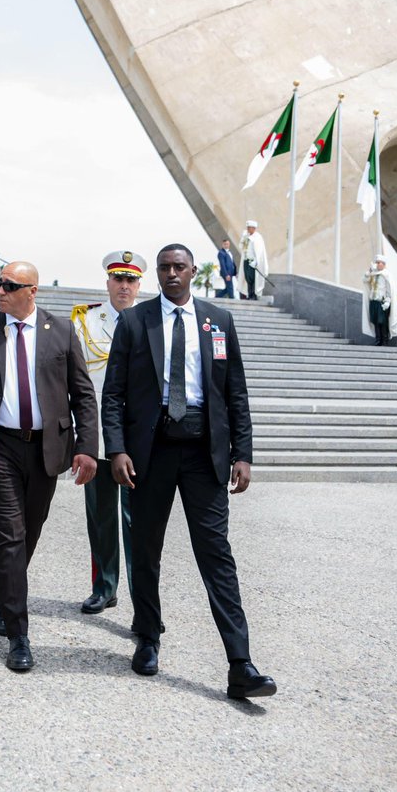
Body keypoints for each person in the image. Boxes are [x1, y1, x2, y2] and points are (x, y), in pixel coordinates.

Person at [102, 244, 276, 700]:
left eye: (180, 267)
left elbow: (235, 390)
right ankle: (147, 636)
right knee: (145, 548)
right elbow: (113, 393)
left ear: (194, 272)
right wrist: (116, 449)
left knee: (216, 553)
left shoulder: (218, 320)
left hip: (205, 453)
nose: (172, 273)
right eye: (164, 267)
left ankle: (241, 663)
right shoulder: (135, 322)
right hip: (151, 452)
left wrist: (244, 452)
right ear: (156, 273)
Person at [0, 261, 97, 672]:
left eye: (10, 285)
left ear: (32, 291)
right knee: (9, 534)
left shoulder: (62, 331)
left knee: (30, 530)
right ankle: (18, 633)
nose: (0, 291)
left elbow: (83, 394)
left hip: (48, 448)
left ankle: (2, 591)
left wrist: (87, 447)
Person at [71, 250, 145, 618]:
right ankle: (104, 588)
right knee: (101, 517)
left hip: (138, 439)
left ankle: (142, 598)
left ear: (139, 285)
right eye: (118, 278)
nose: (124, 286)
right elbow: (77, 381)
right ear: (108, 282)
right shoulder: (86, 321)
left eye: (131, 280)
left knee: (138, 521)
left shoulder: (151, 320)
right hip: (98, 436)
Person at [362, 255, 397, 345]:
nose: (377, 264)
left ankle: (384, 340)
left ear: (383, 264)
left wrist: (388, 300)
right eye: (376, 263)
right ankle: (378, 339)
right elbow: (365, 280)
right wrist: (369, 271)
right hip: (373, 301)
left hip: (382, 302)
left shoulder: (386, 275)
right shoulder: (373, 274)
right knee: (375, 321)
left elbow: (390, 289)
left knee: (382, 321)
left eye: (379, 263)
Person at [237, 221, 268, 300]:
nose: (247, 229)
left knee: (253, 278)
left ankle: (253, 295)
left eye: (249, 227)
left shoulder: (258, 237)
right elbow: (241, 247)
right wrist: (243, 238)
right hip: (246, 260)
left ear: (254, 228)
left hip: (253, 261)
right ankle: (249, 294)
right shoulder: (246, 236)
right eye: (247, 227)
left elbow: (259, 251)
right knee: (247, 278)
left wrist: (256, 261)